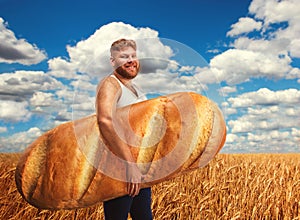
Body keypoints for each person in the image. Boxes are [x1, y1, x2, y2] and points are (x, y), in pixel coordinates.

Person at [95, 38, 153, 220]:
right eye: (123, 57)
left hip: (138, 167)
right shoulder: (111, 83)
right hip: (120, 167)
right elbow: (105, 120)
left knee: (143, 216)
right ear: (113, 62)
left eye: (133, 56)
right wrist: (129, 164)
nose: (131, 60)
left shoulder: (136, 89)